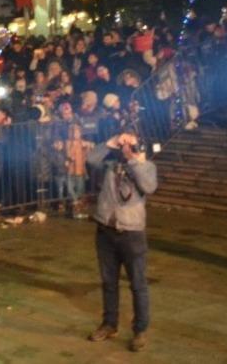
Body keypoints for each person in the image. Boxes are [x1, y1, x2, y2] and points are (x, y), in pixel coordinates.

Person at [86, 132, 157, 353]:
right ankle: (109, 324)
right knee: (109, 282)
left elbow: (148, 186)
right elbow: (90, 160)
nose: (126, 147)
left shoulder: (147, 166)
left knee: (138, 284)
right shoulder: (110, 163)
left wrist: (133, 159)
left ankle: (140, 330)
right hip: (105, 229)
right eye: (124, 143)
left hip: (132, 233)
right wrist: (111, 143)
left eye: (131, 143)